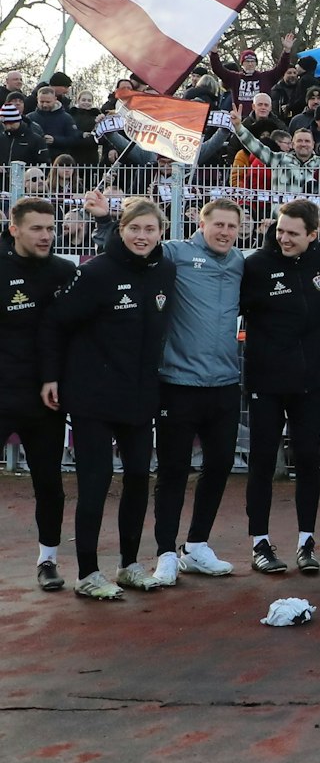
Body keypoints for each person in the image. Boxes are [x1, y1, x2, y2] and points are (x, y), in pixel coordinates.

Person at [80, 194, 248, 587]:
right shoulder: (173, 253)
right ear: (200, 224)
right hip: (177, 383)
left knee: (220, 465)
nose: (224, 232)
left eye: (231, 226)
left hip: (225, 384)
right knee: (172, 471)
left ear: (240, 230)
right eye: (217, 224)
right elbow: (130, 248)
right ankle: (166, 552)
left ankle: (198, 545)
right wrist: (108, 220)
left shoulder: (242, 263)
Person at [47, 197, 177, 600]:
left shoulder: (165, 271)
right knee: (95, 482)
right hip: (93, 398)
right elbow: (56, 323)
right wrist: (51, 376)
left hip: (139, 398)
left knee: (139, 479)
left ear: (161, 233)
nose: (142, 236)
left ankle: (129, 565)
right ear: (121, 230)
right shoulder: (97, 272)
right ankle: (87, 572)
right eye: (134, 229)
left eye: (150, 230)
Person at [242, 198, 320, 576]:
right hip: (266, 381)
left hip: (311, 381)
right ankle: (259, 543)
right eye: (280, 230)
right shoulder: (255, 265)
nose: (283, 238)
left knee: (307, 460)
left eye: (292, 234)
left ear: (313, 235)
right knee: (263, 462)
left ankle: (306, 541)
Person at [0, 198, 78, 591]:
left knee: (49, 484)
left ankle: (47, 560)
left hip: (45, 400)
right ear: (14, 229)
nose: (47, 235)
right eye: (37, 229)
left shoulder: (65, 271)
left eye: (50, 228)